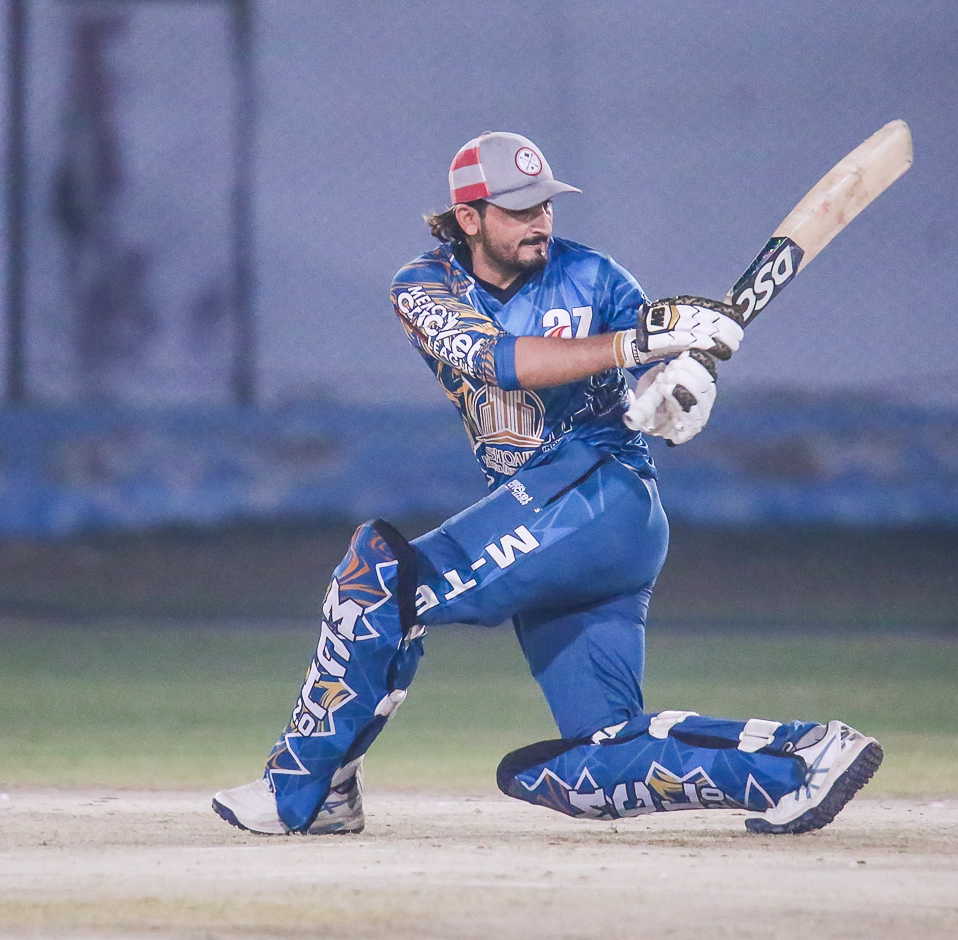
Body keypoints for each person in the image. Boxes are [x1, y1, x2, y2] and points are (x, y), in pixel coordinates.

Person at [211, 132, 881, 836]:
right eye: (518, 209)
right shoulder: (425, 285)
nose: (539, 221)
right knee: (595, 761)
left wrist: (680, 388)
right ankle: (801, 762)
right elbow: (497, 360)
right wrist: (640, 344)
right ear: (469, 218)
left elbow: (656, 379)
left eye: (545, 206)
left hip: (600, 496)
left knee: (377, 582)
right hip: (556, 519)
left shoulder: (596, 276)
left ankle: (307, 789)